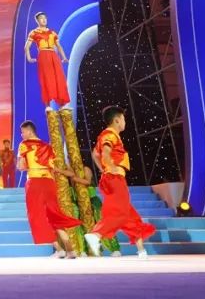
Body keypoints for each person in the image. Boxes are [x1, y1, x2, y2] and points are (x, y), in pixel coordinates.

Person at [83, 106, 155, 258]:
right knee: (120, 213)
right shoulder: (110, 135)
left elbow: (95, 154)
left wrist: (103, 169)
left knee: (129, 215)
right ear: (117, 120)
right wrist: (110, 167)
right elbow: (105, 153)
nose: (124, 122)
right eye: (123, 119)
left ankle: (141, 250)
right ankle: (96, 234)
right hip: (114, 178)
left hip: (111, 177)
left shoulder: (105, 135)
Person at [17, 121, 83, 258]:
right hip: (49, 183)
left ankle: (59, 249)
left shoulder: (24, 145)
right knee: (54, 215)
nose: (21, 135)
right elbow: (51, 169)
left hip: (34, 182)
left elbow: (21, 166)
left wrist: (21, 162)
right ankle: (70, 250)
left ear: (29, 131)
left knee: (37, 216)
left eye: (22, 132)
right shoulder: (47, 146)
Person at [24, 12, 71, 109]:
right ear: (37, 21)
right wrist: (29, 58)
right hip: (43, 56)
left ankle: (62, 105)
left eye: (45, 18)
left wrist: (64, 57)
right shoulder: (34, 33)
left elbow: (58, 46)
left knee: (58, 78)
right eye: (41, 18)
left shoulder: (52, 33)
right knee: (46, 79)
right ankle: (48, 106)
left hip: (54, 56)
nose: (44, 20)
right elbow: (26, 47)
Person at [81, 166, 120, 256]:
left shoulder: (85, 169)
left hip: (93, 201)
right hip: (81, 203)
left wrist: (75, 178)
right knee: (84, 226)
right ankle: (86, 249)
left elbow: (88, 181)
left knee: (102, 224)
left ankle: (115, 249)